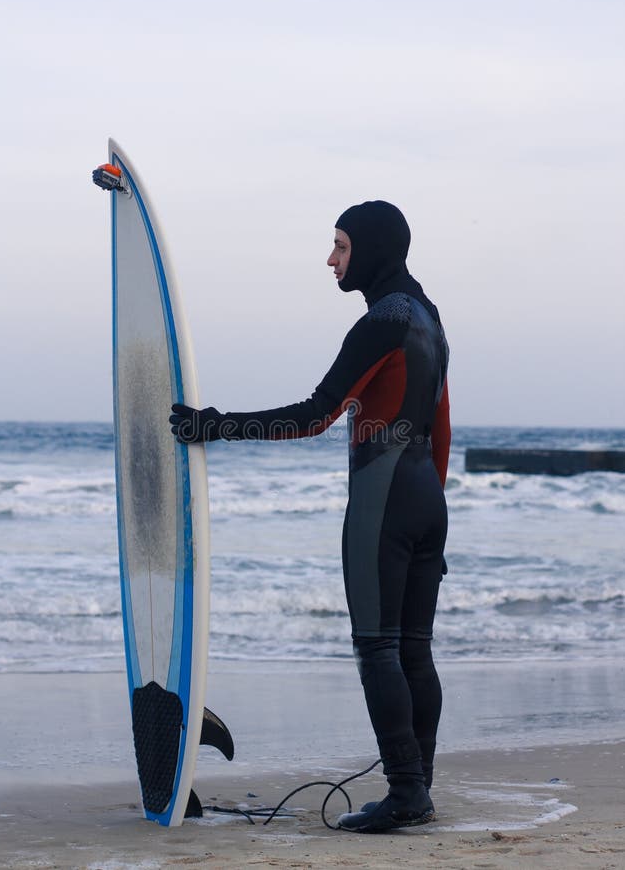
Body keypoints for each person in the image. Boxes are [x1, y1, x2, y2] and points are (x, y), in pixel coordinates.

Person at [169, 200, 451, 833]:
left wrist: (217, 425)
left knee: (377, 648)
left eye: (341, 247)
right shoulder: (429, 319)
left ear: (371, 250)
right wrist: (432, 509)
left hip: (383, 498)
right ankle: (419, 788)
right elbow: (442, 425)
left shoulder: (383, 321)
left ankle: (406, 792)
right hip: (426, 501)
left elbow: (316, 414)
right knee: (414, 649)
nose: (331, 259)